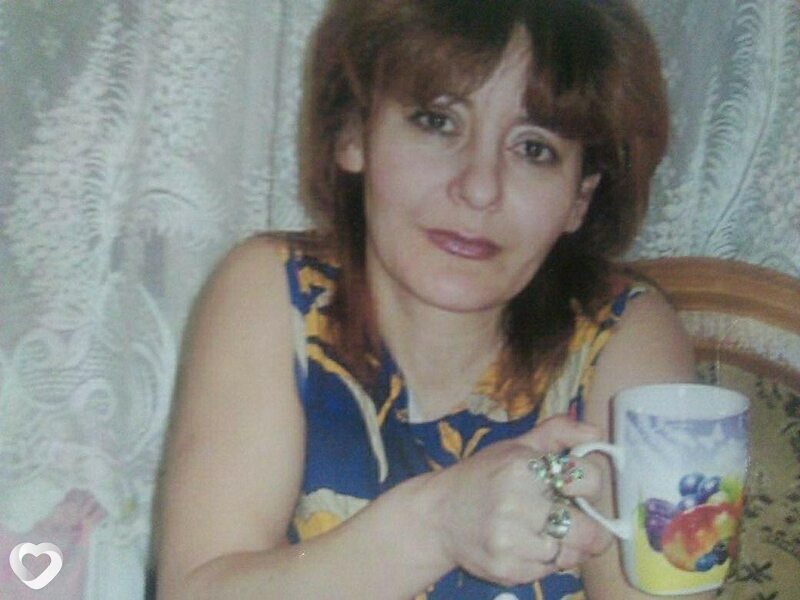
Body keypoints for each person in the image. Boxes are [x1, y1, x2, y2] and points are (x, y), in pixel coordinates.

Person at [154, 0, 701, 598]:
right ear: (354, 133)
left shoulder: (625, 336)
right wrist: (439, 523)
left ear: (580, 197)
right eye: (438, 122)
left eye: (534, 148)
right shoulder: (274, 293)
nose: (480, 188)